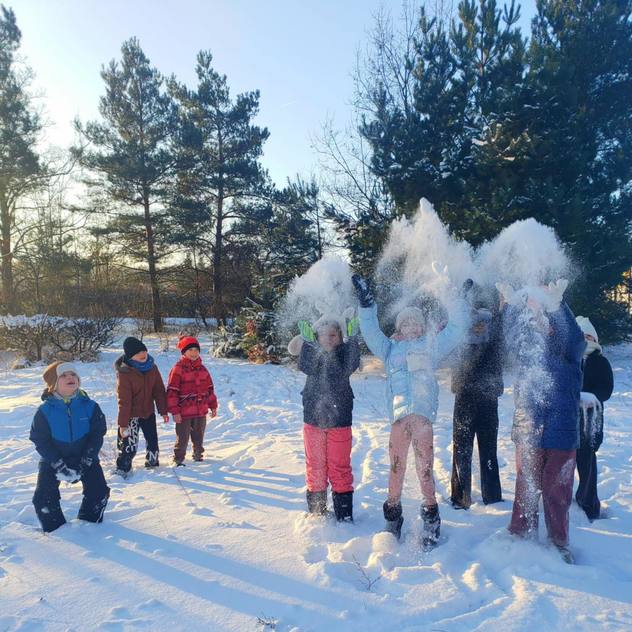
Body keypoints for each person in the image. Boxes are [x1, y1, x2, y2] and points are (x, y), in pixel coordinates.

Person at [352, 274, 465, 548]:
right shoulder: (389, 349)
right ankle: (393, 517)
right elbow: (371, 332)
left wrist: (458, 301)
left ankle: (431, 518)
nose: (412, 327)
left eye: (416, 323)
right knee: (396, 466)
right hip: (400, 419)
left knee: (425, 468)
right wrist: (367, 306)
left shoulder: (432, 346)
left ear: (422, 327)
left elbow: (455, 329)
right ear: (399, 328)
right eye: (406, 323)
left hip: (423, 418)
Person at [500, 280, 585, 563]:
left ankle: (558, 541)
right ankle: (520, 533)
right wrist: (511, 307)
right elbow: (510, 336)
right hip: (528, 430)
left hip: (562, 433)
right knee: (526, 484)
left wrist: (558, 306)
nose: (541, 325)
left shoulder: (569, 355)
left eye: (547, 320)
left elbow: (576, 339)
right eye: (536, 321)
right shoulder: (527, 353)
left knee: (557, 488)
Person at [288, 313, 361, 521]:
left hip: (340, 421)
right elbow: (306, 366)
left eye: (333, 335)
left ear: (340, 337)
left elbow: (350, 364)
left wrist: (353, 340)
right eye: (322, 335)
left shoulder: (343, 355)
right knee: (315, 465)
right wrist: (309, 344)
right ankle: (316, 512)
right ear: (315, 336)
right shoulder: (312, 353)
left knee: (340, 466)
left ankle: (344, 514)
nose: (327, 339)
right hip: (313, 421)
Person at [30, 362, 109, 532]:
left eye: (73, 374)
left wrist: (88, 458)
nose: (70, 377)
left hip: (84, 455)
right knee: (43, 497)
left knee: (99, 491)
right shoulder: (44, 411)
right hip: (54, 458)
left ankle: (90, 524)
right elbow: (39, 439)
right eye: (64, 375)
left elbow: (97, 433)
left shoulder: (90, 406)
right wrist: (57, 463)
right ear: (53, 384)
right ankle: (57, 530)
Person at [450, 281, 504, 509]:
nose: (479, 323)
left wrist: (504, 303)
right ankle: (460, 497)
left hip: (488, 398)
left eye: (483, 318)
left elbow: (501, 322)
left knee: (489, 449)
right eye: (473, 315)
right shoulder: (460, 336)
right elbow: (451, 323)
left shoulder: (495, 338)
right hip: (464, 397)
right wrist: (460, 299)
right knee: (461, 449)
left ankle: (492, 496)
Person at [574, 316, 614, 521]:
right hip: (570, 419)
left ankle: (588, 503)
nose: (586, 339)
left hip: (592, 420)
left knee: (587, 459)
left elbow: (606, 389)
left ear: (595, 339)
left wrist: (592, 397)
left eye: (589, 336)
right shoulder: (571, 359)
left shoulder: (600, 361)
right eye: (582, 335)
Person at [115, 336, 169, 477]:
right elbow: (124, 400)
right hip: (131, 415)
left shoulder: (152, 368)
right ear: (130, 356)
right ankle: (123, 467)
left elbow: (159, 391)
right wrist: (123, 424)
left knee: (152, 440)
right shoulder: (125, 373)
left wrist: (163, 410)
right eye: (138, 353)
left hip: (148, 412)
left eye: (144, 351)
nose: (143, 354)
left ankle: (152, 463)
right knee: (129, 443)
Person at [167, 336, 218, 466]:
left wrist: (213, 405)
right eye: (190, 350)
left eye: (196, 350)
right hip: (184, 412)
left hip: (201, 410)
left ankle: (198, 455)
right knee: (183, 437)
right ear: (184, 352)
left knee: (199, 435)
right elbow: (172, 391)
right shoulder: (178, 369)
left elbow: (209, 389)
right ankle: (178, 459)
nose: (194, 353)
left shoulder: (203, 369)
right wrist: (175, 411)